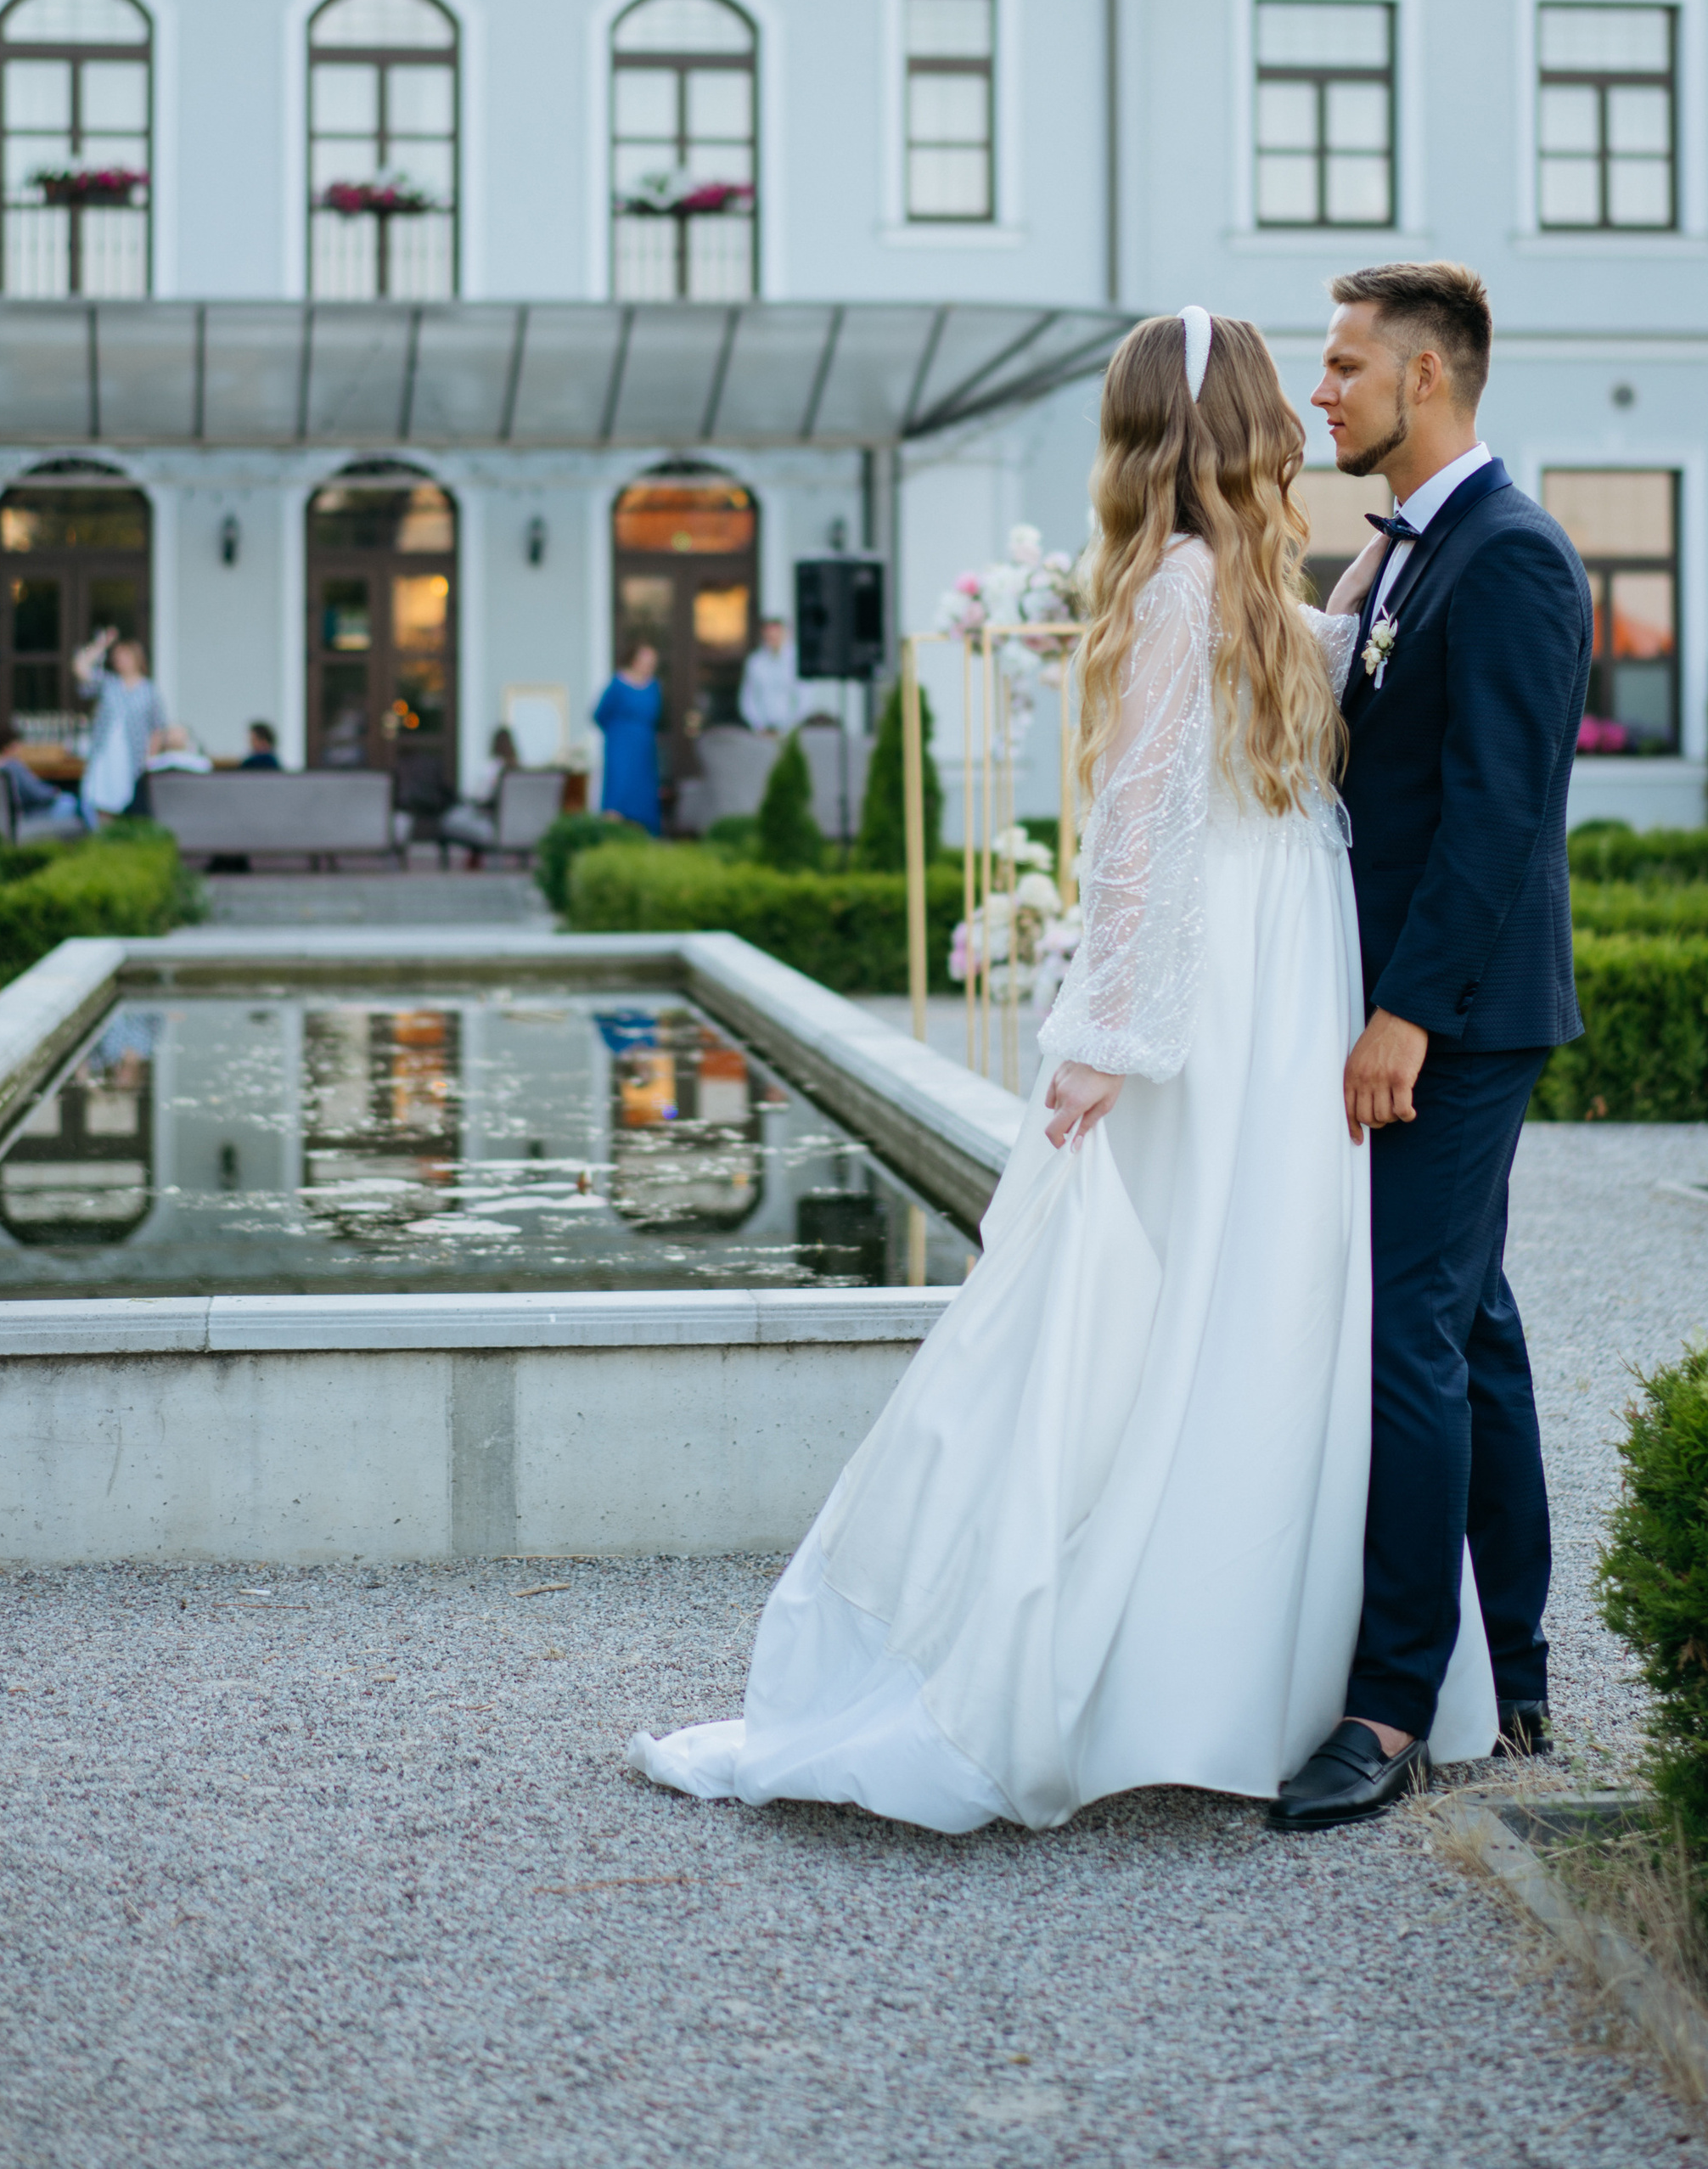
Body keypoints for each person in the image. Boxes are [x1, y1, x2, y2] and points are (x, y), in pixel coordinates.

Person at [629, 308, 1497, 1834]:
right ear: (1235, 427)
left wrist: (1097, 1042)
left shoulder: (1201, 585)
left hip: (1247, 979)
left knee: (1204, 1304)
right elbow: (1158, 826)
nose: (1306, 411)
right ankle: (1231, 1671)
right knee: (1236, 1303)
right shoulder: (1219, 587)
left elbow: (1142, 832)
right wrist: (1109, 1035)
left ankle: (1179, 1664)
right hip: (1272, 977)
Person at [1270, 261, 1591, 1832]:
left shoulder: (1515, 554)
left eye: (1341, 366)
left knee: (1411, 1330)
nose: (1318, 391)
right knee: (1473, 1330)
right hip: (1420, 1003)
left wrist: (1403, 1011)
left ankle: (1394, 1700)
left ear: (1429, 378)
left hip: (1456, 1019)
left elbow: (1500, 811)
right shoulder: (1404, 551)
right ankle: (1516, 1669)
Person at [73, 631, 171, 825]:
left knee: (130, 806)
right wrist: (100, 645)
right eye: (117, 656)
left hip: (133, 758)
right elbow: (80, 668)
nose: (120, 660)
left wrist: (150, 759)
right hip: (105, 754)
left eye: (125, 656)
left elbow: (157, 728)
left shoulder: (149, 691)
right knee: (102, 802)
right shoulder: (109, 684)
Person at [593, 646, 663, 833]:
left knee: (643, 790)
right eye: (645, 662)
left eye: (652, 664)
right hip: (620, 744)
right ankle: (612, 833)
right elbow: (600, 714)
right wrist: (618, 732)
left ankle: (645, 833)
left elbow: (656, 714)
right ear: (634, 661)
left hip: (644, 746)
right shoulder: (618, 684)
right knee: (618, 786)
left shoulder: (654, 686)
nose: (648, 667)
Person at [441, 726, 519, 857]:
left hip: (492, 825)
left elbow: (479, 797)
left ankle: (473, 859)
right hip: (514, 826)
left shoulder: (492, 769)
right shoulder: (519, 770)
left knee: (453, 818)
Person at [739, 617, 800, 736]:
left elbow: (804, 698)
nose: (773, 639)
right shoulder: (756, 662)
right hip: (763, 732)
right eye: (769, 636)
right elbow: (748, 697)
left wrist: (787, 727)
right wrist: (759, 726)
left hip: (791, 732)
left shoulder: (796, 660)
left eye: (776, 635)